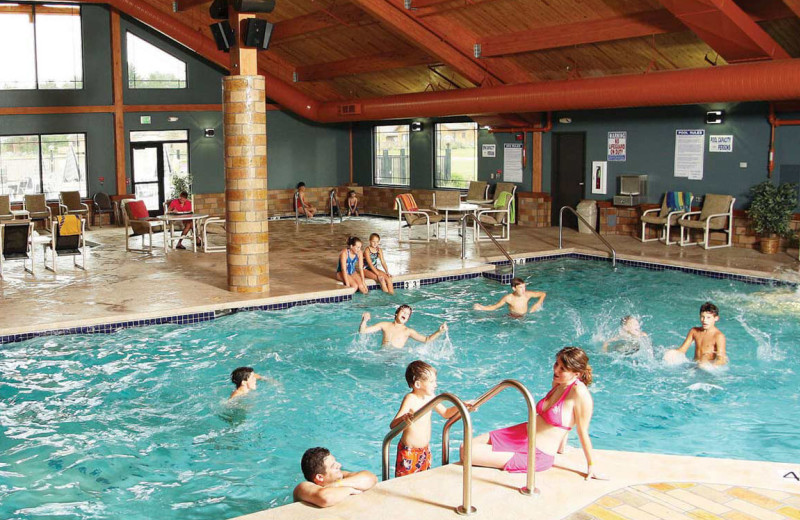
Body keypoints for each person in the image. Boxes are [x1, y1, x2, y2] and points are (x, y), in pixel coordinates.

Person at [464, 347, 607, 480]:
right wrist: (562, 446)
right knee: (467, 445)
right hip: (520, 434)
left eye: (562, 368)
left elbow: (582, 431)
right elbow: (565, 417)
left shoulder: (580, 393)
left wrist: (591, 465)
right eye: (556, 364)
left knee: (467, 453)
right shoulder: (559, 383)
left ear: (576, 374)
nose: (556, 370)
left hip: (537, 452)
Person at [390, 361, 468, 477]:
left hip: (425, 450)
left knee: (423, 480)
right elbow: (393, 425)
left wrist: (462, 406)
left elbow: (445, 413)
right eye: (431, 382)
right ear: (417, 384)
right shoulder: (410, 398)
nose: (435, 385)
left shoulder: (430, 397)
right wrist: (404, 418)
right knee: (406, 483)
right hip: (409, 451)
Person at [293, 447, 377, 508]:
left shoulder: (339, 477)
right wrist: (350, 489)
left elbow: (371, 478)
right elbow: (326, 498)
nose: (339, 465)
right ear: (319, 477)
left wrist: (337, 484)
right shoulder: (302, 487)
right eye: (334, 466)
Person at [664, 302, 727, 366]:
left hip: (707, 368)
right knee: (669, 354)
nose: (704, 320)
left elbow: (721, 359)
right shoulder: (694, 331)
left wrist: (710, 367)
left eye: (708, 317)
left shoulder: (718, 336)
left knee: (703, 362)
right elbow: (682, 350)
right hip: (694, 365)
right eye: (702, 317)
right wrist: (672, 354)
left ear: (716, 318)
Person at [359, 305, 447, 348]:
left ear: (408, 319)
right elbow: (363, 331)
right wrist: (364, 320)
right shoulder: (384, 325)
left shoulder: (408, 331)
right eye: (403, 312)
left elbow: (426, 340)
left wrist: (439, 331)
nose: (405, 314)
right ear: (397, 313)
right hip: (382, 354)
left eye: (407, 314)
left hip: (396, 357)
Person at [473, 277, 546, 317]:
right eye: (520, 287)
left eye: (524, 287)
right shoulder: (508, 298)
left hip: (524, 317)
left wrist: (538, 303)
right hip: (512, 318)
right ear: (514, 288)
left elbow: (543, 294)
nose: (524, 289)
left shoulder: (527, 294)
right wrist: (482, 307)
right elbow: (494, 307)